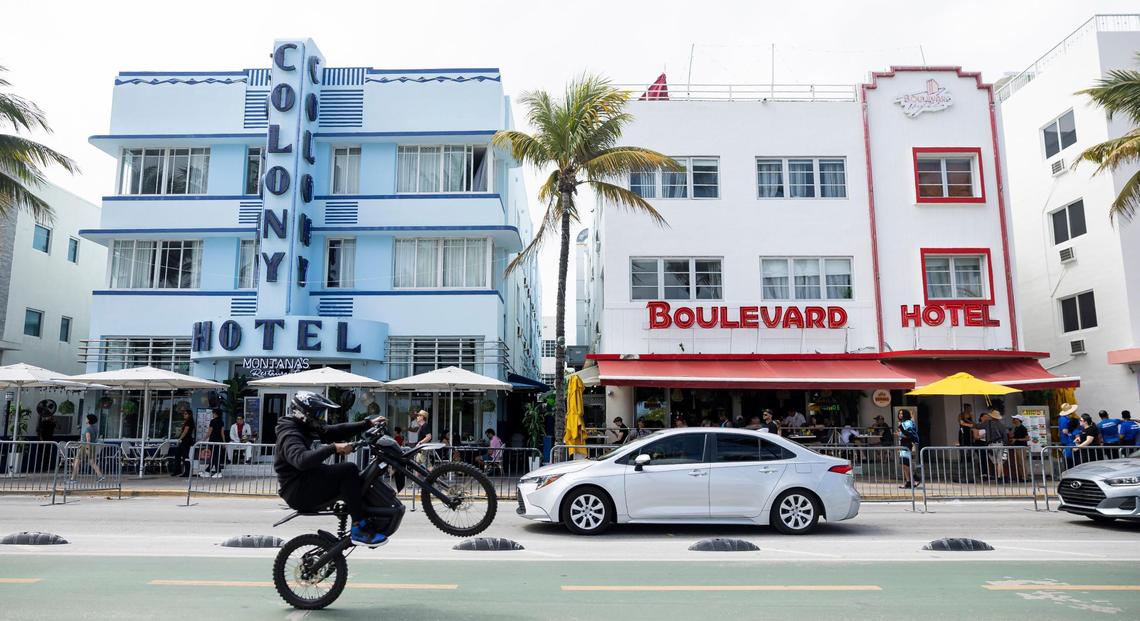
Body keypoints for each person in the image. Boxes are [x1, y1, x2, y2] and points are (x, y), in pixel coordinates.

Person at [275, 390, 389, 546]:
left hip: (305, 481)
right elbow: (300, 460)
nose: (321, 418)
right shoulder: (289, 433)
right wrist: (333, 448)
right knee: (348, 470)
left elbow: (334, 431)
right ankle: (359, 528)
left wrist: (367, 423)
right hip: (298, 491)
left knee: (357, 478)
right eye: (318, 413)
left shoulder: (303, 426)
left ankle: (363, 516)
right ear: (304, 413)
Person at [70, 414, 104, 483]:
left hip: (85, 446)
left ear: (89, 420)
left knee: (77, 461)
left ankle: (73, 478)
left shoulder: (88, 428)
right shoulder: (95, 428)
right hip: (92, 446)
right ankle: (100, 476)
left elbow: (88, 439)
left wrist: (87, 448)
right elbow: (95, 438)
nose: (85, 419)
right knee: (92, 462)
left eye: (86, 418)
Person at [978, 410, 1008, 481]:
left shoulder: (988, 424)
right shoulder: (1001, 425)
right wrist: (1005, 444)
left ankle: (999, 476)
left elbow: (977, 426)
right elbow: (1005, 436)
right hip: (1000, 444)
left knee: (995, 462)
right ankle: (1000, 476)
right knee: (1000, 461)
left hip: (991, 444)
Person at [200, 408, 226, 478]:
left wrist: (203, 439)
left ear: (215, 413)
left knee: (215, 457)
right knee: (215, 456)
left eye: (213, 413)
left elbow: (209, 432)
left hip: (213, 440)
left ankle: (218, 472)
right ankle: (208, 471)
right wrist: (224, 442)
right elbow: (222, 433)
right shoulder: (221, 421)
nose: (212, 414)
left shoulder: (212, 421)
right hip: (219, 441)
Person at [897, 410, 919, 488]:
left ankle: (914, 479)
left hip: (907, 444)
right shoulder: (903, 423)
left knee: (906, 464)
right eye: (899, 413)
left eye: (902, 413)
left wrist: (901, 429)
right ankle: (909, 481)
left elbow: (909, 435)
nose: (900, 415)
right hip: (903, 444)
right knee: (904, 464)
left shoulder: (908, 423)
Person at [172, 410, 194, 477]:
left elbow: (185, 431)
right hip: (185, 440)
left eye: (186, 414)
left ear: (189, 415)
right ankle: (177, 470)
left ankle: (187, 472)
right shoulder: (187, 421)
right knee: (178, 455)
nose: (184, 415)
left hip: (186, 441)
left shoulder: (189, 421)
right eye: (184, 414)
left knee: (185, 456)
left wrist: (180, 439)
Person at [1008, 416, 1030, 481]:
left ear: (1018, 420)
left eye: (1014, 419)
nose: (1013, 420)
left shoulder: (1023, 428)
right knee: (1018, 462)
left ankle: (1025, 477)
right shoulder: (1015, 428)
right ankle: (1021, 476)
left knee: (1022, 462)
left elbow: (1027, 438)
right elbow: (1011, 436)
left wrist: (1017, 439)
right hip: (1017, 446)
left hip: (1021, 447)